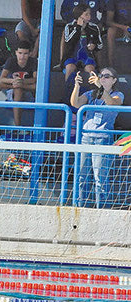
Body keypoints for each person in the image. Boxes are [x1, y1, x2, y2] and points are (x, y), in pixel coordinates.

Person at [70, 67, 123, 208]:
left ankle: (102, 210)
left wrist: (100, 87)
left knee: (100, 179)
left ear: (114, 80)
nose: (103, 78)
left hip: (103, 139)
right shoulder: (90, 93)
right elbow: (75, 103)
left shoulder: (118, 94)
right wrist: (76, 85)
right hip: (86, 137)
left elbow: (112, 103)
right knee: (81, 176)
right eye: (101, 76)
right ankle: (80, 208)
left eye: (106, 76)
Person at [0, 40, 38, 126]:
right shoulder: (11, 61)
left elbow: (35, 80)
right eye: (20, 53)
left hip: (29, 92)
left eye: (25, 53)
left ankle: (0, 87)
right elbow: (2, 79)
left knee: (32, 86)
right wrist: (14, 81)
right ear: (16, 52)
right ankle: (17, 125)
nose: (22, 56)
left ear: (30, 53)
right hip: (13, 91)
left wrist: (21, 82)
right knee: (18, 89)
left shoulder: (33, 62)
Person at [61, 4, 103, 82]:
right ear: (79, 16)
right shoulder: (69, 26)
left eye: (89, 14)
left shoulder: (93, 28)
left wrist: (94, 45)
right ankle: (68, 91)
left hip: (87, 56)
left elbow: (100, 45)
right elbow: (68, 41)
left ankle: (92, 91)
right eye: (86, 14)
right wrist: (78, 27)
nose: (89, 17)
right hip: (72, 56)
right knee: (69, 68)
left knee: (91, 70)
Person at [105, 0, 131, 68]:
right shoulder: (112, 2)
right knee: (110, 31)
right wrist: (123, 27)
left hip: (129, 27)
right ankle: (111, 65)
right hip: (118, 27)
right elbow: (108, 21)